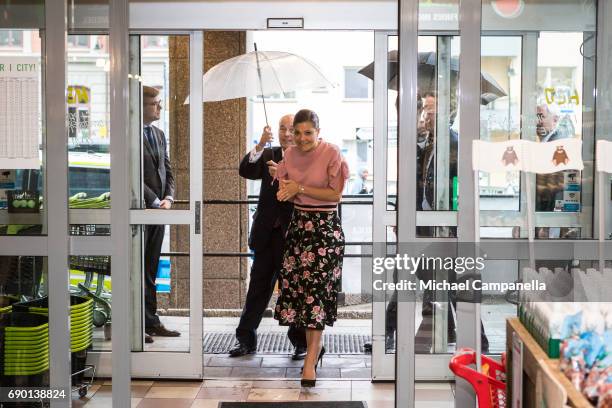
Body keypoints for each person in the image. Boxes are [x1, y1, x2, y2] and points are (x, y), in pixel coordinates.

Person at [274, 109, 349, 387]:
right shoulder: (289, 154)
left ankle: (309, 363)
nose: (302, 138)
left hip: (325, 231)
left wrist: (299, 188)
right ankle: (314, 351)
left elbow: (335, 194)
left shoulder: (331, 153)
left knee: (315, 297)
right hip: (298, 229)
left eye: (308, 133)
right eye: (297, 132)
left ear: (318, 132)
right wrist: (285, 189)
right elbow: (285, 190)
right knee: (302, 297)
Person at [229, 115, 307, 359]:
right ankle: (245, 340)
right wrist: (261, 144)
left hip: (291, 235)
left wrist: (283, 175)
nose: (286, 133)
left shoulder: (306, 158)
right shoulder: (269, 153)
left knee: (293, 290)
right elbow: (245, 170)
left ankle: (300, 343)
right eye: (282, 128)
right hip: (265, 234)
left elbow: (305, 190)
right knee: (257, 289)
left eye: (291, 129)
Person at [142, 85, 179, 343]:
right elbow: (130, 172)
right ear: (141, 105)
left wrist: (168, 197)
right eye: (155, 102)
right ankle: (138, 324)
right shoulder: (126, 134)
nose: (160, 107)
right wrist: (153, 199)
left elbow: (167, 169)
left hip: (158, 211)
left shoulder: (159, 133)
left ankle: (151, 322)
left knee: (151, 268)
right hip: (141, 211)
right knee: (139, 270)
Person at [535, 103, 573, 213]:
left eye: (542, 116)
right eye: (536, 117)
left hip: (551, 205)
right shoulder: (547, 139)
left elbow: (555, 183)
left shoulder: (557, 142)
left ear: (555, 119)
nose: (538, 122)